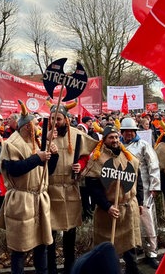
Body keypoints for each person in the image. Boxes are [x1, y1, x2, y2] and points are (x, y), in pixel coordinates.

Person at [0, 101, 57, 274]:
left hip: (39, 199)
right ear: (27, 126)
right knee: (19, 249)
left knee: (42, 245)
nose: (38, 126)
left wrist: (54, 155)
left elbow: (48, 171)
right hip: (22, 200)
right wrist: (37, 158)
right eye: (35, 124)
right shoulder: (11, 144)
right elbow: (14, 170)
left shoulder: (36, 142)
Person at [46, 101, 98, 274]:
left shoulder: (76, 135)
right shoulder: (44, 136)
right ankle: (51, 268)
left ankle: (70, 267)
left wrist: (80, 165)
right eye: (52, 118)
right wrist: (46, 141)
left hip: (70, 188)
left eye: (58, 119)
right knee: (50, 234)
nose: (55, 122)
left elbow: (86, 156)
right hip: (50, 189)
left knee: (70, 232)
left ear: (66, 119)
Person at [85, 126, 143, 274]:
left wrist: (140, 202)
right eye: (111, 137)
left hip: (128, 208)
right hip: (108, 212)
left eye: (116, 137)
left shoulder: (128, 156)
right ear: (104, 140)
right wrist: (107, 207)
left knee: (130, 246)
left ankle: (133, 271)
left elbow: (138, 180)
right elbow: (93, 188)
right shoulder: (97, 160)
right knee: (109, 249)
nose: (115, 140)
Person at [119, 118, 161, 269]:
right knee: (129, 223)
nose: (129, 133)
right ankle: (133, 251)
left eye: (131, 131)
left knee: (148, 223)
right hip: (125, 192)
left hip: (145, 190)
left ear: (135, 131)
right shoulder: (118, 146)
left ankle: (152, 254)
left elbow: (153, 165)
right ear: (122, 132)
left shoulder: (143, 145)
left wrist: (154, 187)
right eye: (126, 131)